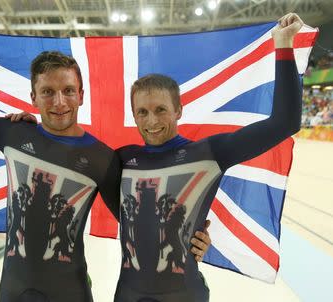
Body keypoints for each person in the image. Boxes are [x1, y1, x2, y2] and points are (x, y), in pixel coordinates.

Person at [0, 15, 211, 302]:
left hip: (70, 292)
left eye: (68, 91)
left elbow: (137, 221)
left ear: (81, 95)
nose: (59, 102)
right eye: (47, 91)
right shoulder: (14, 134)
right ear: (33, 97)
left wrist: (193, 237)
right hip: (13, 290)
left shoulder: (101, 158)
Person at [111, 13, 304, 302]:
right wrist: (19, 123)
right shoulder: (122, 160)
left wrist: (284, 43)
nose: (151, 120)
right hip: (127, 295)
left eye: (161, 109)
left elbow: (284, 122)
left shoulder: (208, 153)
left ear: (178, 110)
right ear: (134, 114)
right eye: (142, 111)